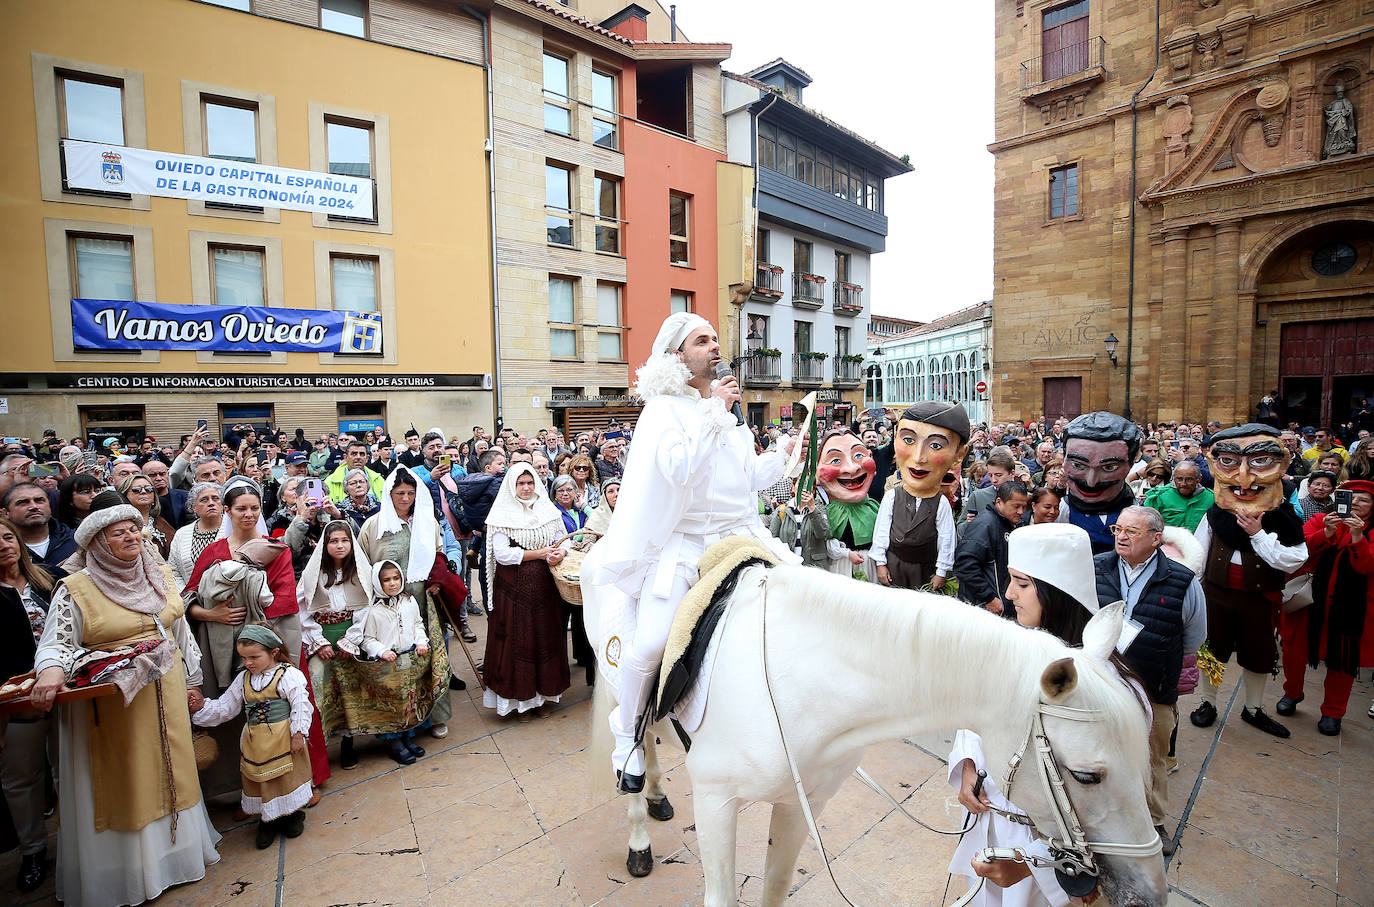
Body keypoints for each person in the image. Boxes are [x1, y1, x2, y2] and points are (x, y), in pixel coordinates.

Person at [583, 312, 797, 789]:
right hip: (683, 546)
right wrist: (714, 412)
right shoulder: (664, 411)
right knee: (654, 641)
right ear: (679, 356)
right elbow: (681, 471)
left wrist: (781, 455)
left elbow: (747, 481)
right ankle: (627, 733)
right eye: (703, 341)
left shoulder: (729, 414)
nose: (715, 346)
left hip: (739, 537)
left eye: (717, 339)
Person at [29, 498, 220, 907]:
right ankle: (130, 872)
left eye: (135, 529)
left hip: (165, 693)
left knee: (173, 769)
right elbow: (56, 644)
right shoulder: (76, 587)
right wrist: (49, 671)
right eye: (119, 532)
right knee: (128, 777)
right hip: (114, 705)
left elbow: (179, 633)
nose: (131, 536)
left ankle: (174, 858)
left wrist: (193, 681)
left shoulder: (160, 574)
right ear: (97, 543)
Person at [947, 523, 1113, 905]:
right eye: (1010, 580)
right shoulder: (1006, 647)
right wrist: (969, 765)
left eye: (1022, 583)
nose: (1008, 594)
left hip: (1044, 843)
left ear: (1057, 592)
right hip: (992, 819)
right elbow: (974, 714)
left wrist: (1031, 864)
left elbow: (1101, 806)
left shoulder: (1100, 679)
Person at [183, 480, 331, 795]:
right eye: (241, 509)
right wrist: (212, 615)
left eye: (254, 508)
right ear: (227, 511)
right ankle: (248, 787)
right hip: (225, 648)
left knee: (290, 707)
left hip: (272, 643)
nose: (248, 514)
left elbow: (285, 598)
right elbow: (189, 599)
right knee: (242, 715)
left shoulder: (273, 546)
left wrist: (252, 631)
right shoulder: (213, 552)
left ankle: (306, 779)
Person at [1093, 505, 1206, 856]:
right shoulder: (1096, 567)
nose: (1121, 536)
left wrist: (1153, 650)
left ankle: (1154, 822)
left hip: (1153, 685)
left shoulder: (1181, 580)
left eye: (1131, 531)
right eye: (1118, 529)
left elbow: (1194, 637)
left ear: (1156, 539)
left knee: (1152, 756)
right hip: (1102, 683)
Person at [1190, 424, 1308, 738]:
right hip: (1217, 594)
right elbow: (1200, 551)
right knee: (1213, 651)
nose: (1244, 479)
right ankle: (1208, 703)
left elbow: (1294, 559)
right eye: (1229, 463)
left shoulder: (1283, 518)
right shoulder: (1216, 513)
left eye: (1257, 464)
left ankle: (1253, 708)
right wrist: (1193, 589)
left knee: (1259, 654)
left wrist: (1258, 535)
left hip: (1260, 598)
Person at [191, 624, 315, 848]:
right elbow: (226, 707)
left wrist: (298, 733)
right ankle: (267, 821)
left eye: (254, 657)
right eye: (244, 658)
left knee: (286, 778)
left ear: (273, 652)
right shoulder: (243, 680)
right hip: (256, 743)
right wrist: (199, 710)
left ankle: (291, 815)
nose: (248, 663)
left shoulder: (288, 675)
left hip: (283, 739)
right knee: (263, 781)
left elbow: (301, 705)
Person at [357, 467, 454, 739]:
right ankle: (394, 721)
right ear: (389, 494)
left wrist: (437, 579)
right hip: (385, 605)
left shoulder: (427, 522)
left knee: (428, 655)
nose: (405, 498)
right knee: (393, 660)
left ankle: (435, 715)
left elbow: (438, 554)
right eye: (399, 493)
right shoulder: (374, 525)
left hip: (422, 600)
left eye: (411, 493)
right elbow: (363, 564)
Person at [1278, 480, 1374, 736]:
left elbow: (1367, 567)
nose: (1356, 503)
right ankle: (1292, 693)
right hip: (1309, 602)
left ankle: (1333, 712)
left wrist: (1358, 538)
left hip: (1351, 610)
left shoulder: (1371, 531)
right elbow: (1300, 550)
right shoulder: (1322, 518)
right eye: (1351, 497)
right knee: (1294, 651)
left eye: (1364, 500)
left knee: (1343, 660)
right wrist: (1326, 534)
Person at [482, 464, 572, 719]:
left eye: (529, 483)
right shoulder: (502, 514)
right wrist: (541, 553)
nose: (525, 488)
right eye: (521, 483)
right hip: (513, 591)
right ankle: (518, 702)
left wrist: (558, 553)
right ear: (512, 485)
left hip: (545, 589)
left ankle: (542, 697)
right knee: (517, 644)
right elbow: (503, 554)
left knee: (544, 639)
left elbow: (562, 539)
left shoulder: (547, 510)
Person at [0, 515, 57, 893]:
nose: (4, 544)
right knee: (22, 778)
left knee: (69, 769)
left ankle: (80, 844)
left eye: (7, 536)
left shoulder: (48, 577)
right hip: (16, 700)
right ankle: (33, 850)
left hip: (68, 691)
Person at [297, 520, 371, 769]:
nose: (339, 546)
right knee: (320, 687)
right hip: (322, 637)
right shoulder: (313, 575)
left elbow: (364, 608)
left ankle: (349, 741)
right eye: (333, 541)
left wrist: (350, 640)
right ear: (324, 545)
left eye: (344, 540)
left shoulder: (359, 573)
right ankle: (322, 744)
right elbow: (302, 610)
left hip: (348, 637)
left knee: (349, 689)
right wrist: (318, 641)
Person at [872, 403, 969, 590]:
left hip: (925, 568)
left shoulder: (940, 502)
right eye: (908, 440)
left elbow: (946, 538)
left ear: (958, 455)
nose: (918, 457)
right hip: (895, 565)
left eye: (935, 445)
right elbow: (881, 532)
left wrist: (941, 571)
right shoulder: (892, 496)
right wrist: (880, 563)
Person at [1057, 412, 1143, 554]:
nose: (1091, 482)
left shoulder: (1138, 513)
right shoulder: (1059, 511)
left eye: (1109, 467)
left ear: (1131, 463)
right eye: (1078, 465)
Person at [954, 482, 1029, 617]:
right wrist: (988, 598)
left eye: (1024, 507)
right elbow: (964, 566)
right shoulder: (985, 525)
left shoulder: (1011, 524)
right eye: (1016, 506)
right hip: (982, 608)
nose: (1021, 512)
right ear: (999, 502)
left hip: (1002, 605)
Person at [3, 481, 78, 575]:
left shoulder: (76, 541)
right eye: (23, 502)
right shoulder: (4, 549)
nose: (34, 507)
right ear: (5, 513)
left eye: (39, 500)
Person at [169, 482, 224, 590]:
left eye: (215, 498)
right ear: (193, 507)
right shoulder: (181, 534)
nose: (211, 503)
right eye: (204, 500)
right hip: (190, 601)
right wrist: (189, 600)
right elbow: (174, 572)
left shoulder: (234, 529)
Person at [116, 473, 175, 560]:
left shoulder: (162, 523)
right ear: (125, 495)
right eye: (136, 489)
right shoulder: (119, 525)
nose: (143, 492)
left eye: (148, 489)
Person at [1144, 460, 1213, 531]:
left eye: (1189, 480)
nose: (1183, 484)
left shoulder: (1211, 498)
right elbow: (1147, 527)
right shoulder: (1158, 497)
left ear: (1199, 479)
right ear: (1173, 478)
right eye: (1179, 479)